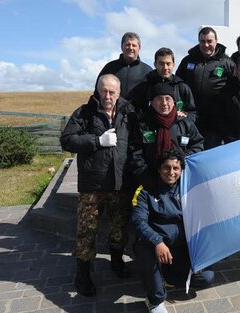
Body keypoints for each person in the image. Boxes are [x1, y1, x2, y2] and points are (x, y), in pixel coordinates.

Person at [60, 74, 137, 296]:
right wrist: (96, 141)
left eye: (112, 91)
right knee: (87, 232)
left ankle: (116, 263)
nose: (108, 96)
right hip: (92, 185)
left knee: (118, 228)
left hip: (120, 184)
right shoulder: (84, 112)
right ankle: (82, 276)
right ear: (97, 90)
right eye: (104, 91)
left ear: (119, 92)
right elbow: (67, 140)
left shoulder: (128, 112)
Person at [132, 149, 215, 313]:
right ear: (159, 169)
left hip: (181, 248)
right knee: (143, 246)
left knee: (207, 277)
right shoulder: (145, 190)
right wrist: (157, 241)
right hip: (156, 245)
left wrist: (198, 257)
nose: (171, 172)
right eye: (167, 168)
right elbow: (138, 220)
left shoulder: (189, 189)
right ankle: (154, 299)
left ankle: (167, 275)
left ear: (181, 170)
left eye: (176, 168)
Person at [130, 82, 204, 188]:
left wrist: (181, 159)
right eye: (159, 99)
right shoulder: (143, 125)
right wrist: (145, 176)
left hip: (182, 180)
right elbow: (136, 153)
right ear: (152, 102)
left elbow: (198, 145)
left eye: (168, 99)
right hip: (151, 180)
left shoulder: (184, 123)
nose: (164, 103)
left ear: (173, 102)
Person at [176, 26, 235, 149]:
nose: (206, 45)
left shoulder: (227, 63)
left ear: (216, 41)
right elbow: (177, 86)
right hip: (191, 118)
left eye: (209, 41)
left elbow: (235, 90)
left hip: (215, 122)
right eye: (202, 41)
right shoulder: (188, 61)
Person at [132, 47, 197, 123]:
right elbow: (135, 111)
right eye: (161, 64)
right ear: (155, 64)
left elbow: (193, 113)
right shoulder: (145, 86)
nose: (165, 67)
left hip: (176, 131)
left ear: (173, 65)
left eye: (168, 64)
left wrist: (185, 116)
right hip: (150, 131)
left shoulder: (181, 87)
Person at [96, 32, 152, 100]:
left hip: (138, 110)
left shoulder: (147, 71)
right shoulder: (109, 68)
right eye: (127, 45)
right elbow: (97, 91)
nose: (130, 48)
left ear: (139, 48)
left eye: (134, 45)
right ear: (122, 47)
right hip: (114, 110)